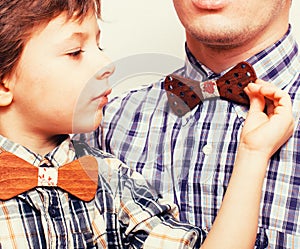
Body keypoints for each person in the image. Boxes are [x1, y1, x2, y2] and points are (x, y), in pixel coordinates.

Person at [0, 0, 294, 248]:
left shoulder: (110, 178)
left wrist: (253, 155)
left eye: (99, 45)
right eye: (75, 52)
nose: (106, 64)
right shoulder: (100, 126)